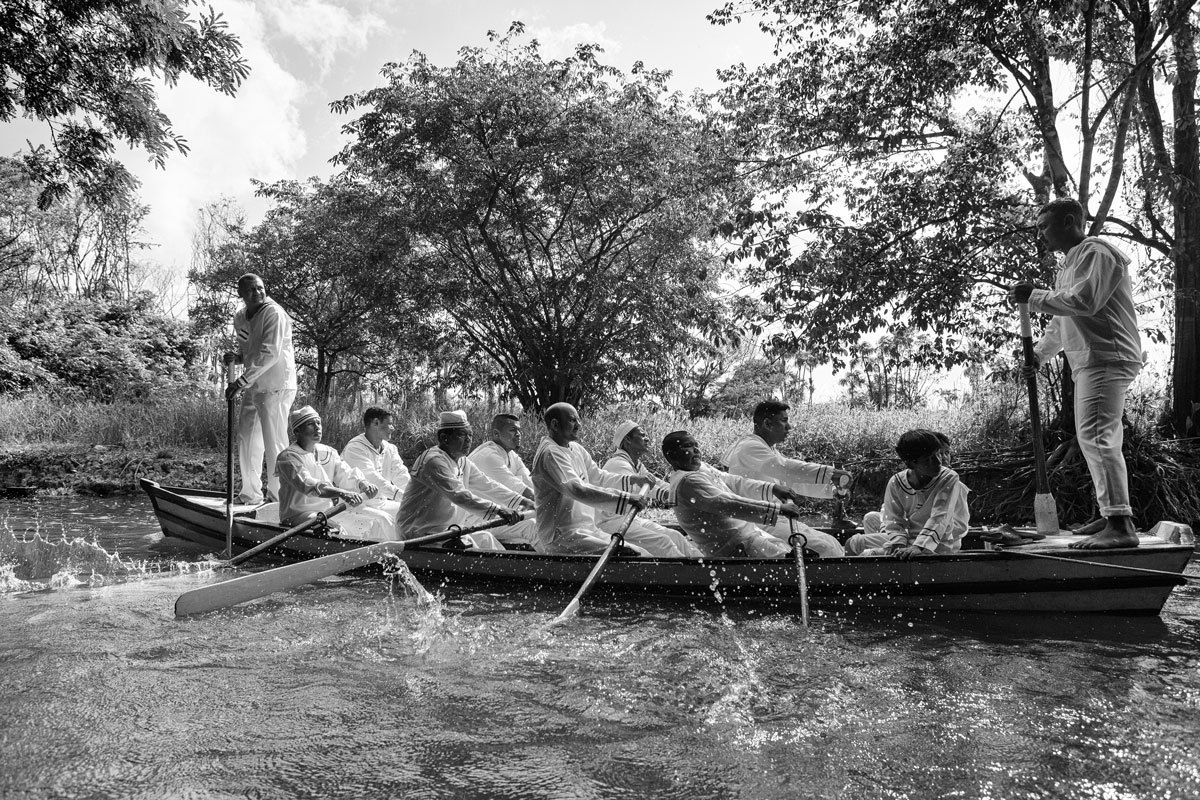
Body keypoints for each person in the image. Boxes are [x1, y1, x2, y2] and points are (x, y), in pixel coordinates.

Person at [1009, 197, 1143, 550]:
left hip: (1107, 357)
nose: (1040, 234)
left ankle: (1121, 525)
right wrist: (1039, 354)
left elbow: (1086, 301)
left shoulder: (1096, 251)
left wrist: (1034, 296)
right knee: (1093, 437)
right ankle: (1110, 513)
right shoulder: (1068, 266)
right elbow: (1062, 318)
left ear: (1069, 221)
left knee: (1097, 436)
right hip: (1090, 361)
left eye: (1044, 226)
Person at [721, 400, 849, 557]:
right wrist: (831, 474)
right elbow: (785, 468)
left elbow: (790, 481)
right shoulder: (749, 447)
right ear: (767, 424)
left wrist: (832, 490)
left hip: (774, 518)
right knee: (824, 548)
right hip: (759, 521)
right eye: (784, 421)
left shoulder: (767, 449)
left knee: (832, 543)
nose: (789, 426)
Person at [397, 410, 530, 550]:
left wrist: (524, 502)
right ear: (444, 438)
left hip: (448, 531)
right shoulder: (433, 461)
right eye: (461, 434)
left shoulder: (463, 461)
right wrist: (499, 510)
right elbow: (459, 495)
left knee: (486, 538)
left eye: (470, 435)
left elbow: (487, 485)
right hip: (420, 533)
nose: (468, 440)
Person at [530, 403, 653, 556]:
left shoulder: (576, 448)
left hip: (587, 529)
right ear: (555, 425)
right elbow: (576, 489)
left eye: (578, 420)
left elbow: (598, 477)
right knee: (629, 554)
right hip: (562, 536)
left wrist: (632, 479)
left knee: (640, 553)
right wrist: (627, 499)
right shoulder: (550, 453)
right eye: (573, 420)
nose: (579, 425)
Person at [662, 430, 806, 559]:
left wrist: (772, 488)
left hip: (749, 535)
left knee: (789, 552)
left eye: (696, 445)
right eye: (688, 446)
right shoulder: (688, 481)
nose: (696, 450)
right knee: (787, 560)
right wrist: (778, 509)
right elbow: (728, 503)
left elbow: (732, 481)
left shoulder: (699, 469)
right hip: (735, 547)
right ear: (672, 457)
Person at [223, 273, 297, 505]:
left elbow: (269, 353)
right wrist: (238, 357)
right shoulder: (240, 317)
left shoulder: (273, 313)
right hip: (253, 384)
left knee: (274, 441)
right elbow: (251, 350)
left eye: (261, 288)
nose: (258, 292)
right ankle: (250, 494)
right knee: (246, 438)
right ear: (241, 294)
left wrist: (240, 382)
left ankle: (279, 497)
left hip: (276, 385)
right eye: (252, 289)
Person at [844, 430, 970, 559]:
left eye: (939, 454)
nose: (938, 462)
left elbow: (940, 517)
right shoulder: (896, 482)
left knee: (864, 551)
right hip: (909, 540)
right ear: (911, 463)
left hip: (936, 545)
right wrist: (898, 544)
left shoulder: (948, 478)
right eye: (929, 459)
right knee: (853, 541)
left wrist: (919, 546)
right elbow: (893, 520)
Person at [273, 406, 394, 541]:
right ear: (297, 431)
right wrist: (342, 493)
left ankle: (385, 554)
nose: (317, 427)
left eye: (318, 423)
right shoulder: (288, 457)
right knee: (334, 529)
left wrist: (363, 484)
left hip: (327, 512)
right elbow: (309, 486)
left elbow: (346, 473)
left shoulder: (328, 452)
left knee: (379, 520)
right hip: (298, 515)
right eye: (310, 424)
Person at [597, 420, 701, 557]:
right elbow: (642, 488)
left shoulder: (636, 464)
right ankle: (689, 572)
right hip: (609, 523)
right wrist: (669, 495)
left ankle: (702, 561)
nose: (647, 439)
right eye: (642, 435)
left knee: (674, 535)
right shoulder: (617, 464)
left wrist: (681, 490)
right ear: (628, 440)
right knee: (662, 542)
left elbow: (655, 482)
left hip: (629, 519)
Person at [339, 407, 410, 525]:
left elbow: (401, 475)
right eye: (390, 424)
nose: (393, 428)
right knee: (385, 520)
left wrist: (414, 495)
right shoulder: (355, 448)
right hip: (356, 505)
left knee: (414, 511)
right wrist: (403, 497)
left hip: (381, 503)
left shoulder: (390, 448)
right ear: (376, 423)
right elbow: (374, 479)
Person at [467, 413, 535, 500]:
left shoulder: (511, 455)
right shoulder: (489, 456)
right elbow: (518, 489)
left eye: (519, 430)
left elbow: (529, 481)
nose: (518, 434)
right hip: (472, 511)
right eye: (512, 430)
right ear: (496, 434)